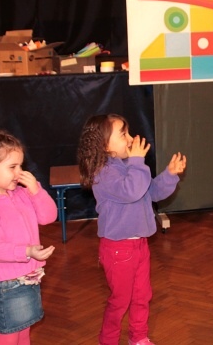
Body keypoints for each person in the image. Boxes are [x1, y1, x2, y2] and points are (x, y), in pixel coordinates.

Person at [77, 114, 187, 345]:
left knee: (142, 296)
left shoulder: (130, 167)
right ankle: (108, 340)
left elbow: (151, 192)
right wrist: (137, 161)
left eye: (128, 132)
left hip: (139, 245)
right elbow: (131, 191)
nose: (130, 138)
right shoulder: (103, 173)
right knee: (120, 301)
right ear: (104, 145)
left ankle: (138, 337)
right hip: (118, 249)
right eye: (123, 134)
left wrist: (169, 175)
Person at [0, 130, 57, 345]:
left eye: (20, 166)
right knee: (8, 337)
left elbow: (48, 217)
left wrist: (36, 190)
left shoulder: (21, 194)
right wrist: (27, 251)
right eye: (12, 167)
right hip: (4, 286)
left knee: (23, 332)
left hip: (27, 278)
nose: (19, 172)